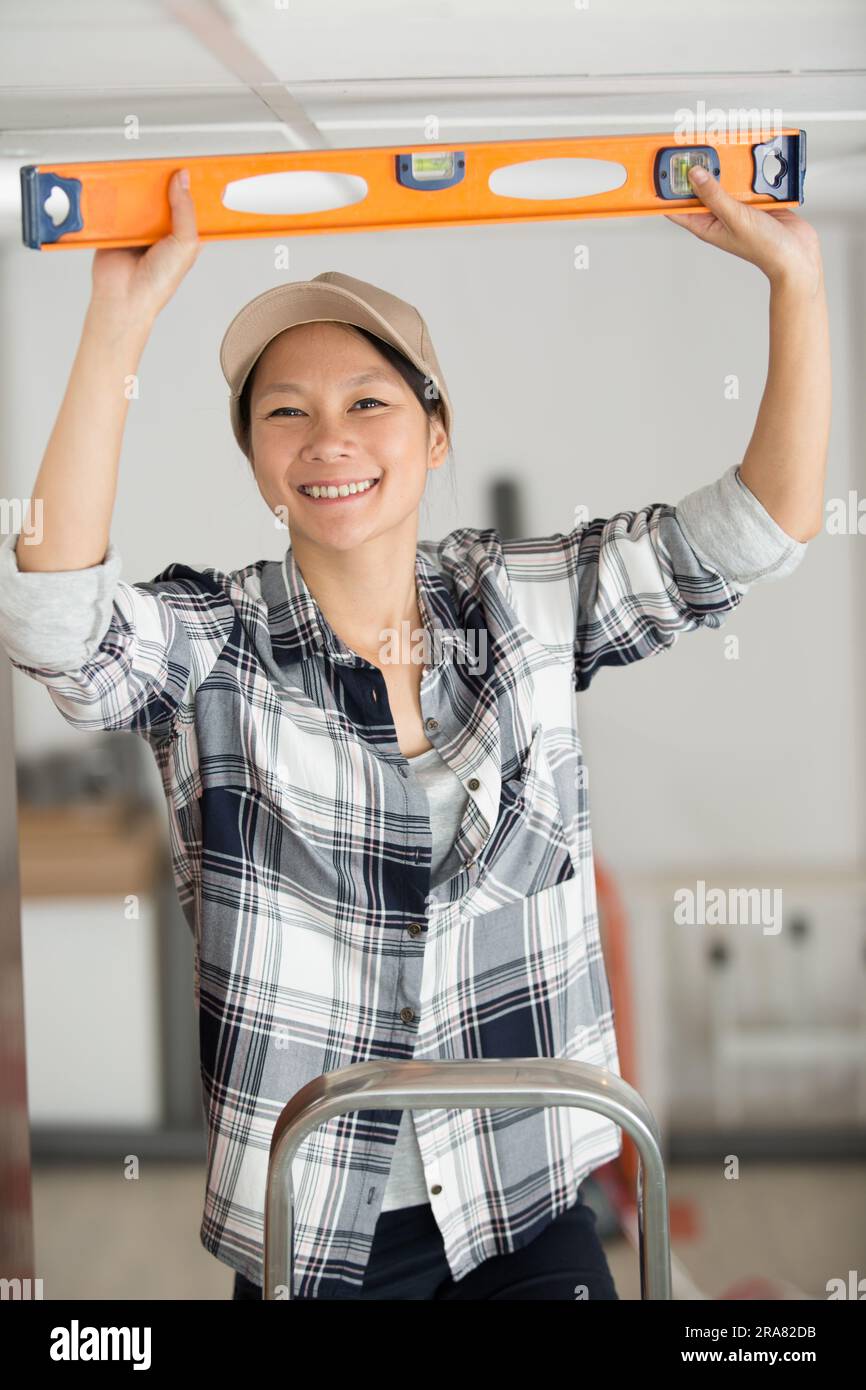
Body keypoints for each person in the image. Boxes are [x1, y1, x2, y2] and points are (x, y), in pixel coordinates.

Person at [0, 165, 829, 1301]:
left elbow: (756, 531)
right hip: (317, 1226)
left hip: (523, 1205)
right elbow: (55, 625)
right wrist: (119, 322)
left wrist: (796, 279)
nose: (326, 437)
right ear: (257, 465)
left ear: (436, 436)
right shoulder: (214, 642)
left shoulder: (529, 598)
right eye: (283, 411)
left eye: (368, 402)